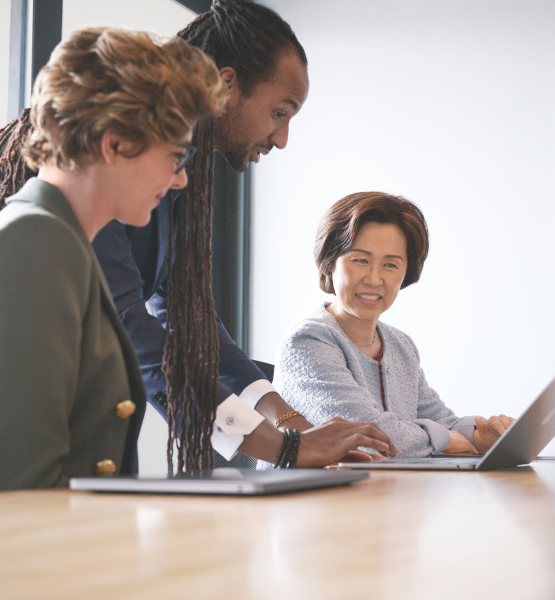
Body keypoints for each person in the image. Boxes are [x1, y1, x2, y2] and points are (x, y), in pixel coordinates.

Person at [0, 2, 398, 470]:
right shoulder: (47, 229)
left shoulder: (147, 190)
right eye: (279, 112)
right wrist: (282, 446)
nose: (183, 177)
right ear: (114, 145)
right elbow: (131, 330)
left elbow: (189, 318)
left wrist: (282, 418)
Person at [0, 26, 228, 490]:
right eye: (176, 156)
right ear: (116, 142)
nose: (180, 180)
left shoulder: (61, 241)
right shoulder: (35, 243)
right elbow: (23, 487)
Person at [273, 191, 515, 457]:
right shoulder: (307, 340)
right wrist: (442, 439)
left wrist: (482, 435)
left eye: (390, 265)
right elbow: (365, 435)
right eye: (360, 260)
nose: (375, 279)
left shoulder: (400, 345)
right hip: (313, 495)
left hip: (382, 491)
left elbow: (438, 419)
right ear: (330, 262)